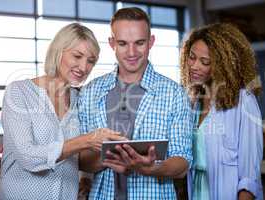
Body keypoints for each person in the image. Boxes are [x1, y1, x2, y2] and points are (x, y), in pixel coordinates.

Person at [0, 23, 126, 200]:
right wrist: (88, 140)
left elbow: (80, 160)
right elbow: (28, 156)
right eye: (77, 56)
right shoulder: (19, 92)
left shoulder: (81, 100)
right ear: (58, 51)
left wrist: (114, 157)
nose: (83, 67)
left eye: (90, 61)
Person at [78, 7, 193, 200]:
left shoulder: (174, 93)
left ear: (151, 42)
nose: (131, 52)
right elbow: (81, 160)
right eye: (123, 43)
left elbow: (182, 163)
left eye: (139, 43)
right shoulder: (90, 91)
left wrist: (151, 168)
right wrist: (110, 157)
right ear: (112, 43)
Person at [180, 23, 263, 200]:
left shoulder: (243, 101)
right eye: (192, 57)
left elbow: (249, 178)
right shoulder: (193, 102)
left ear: (223, 65)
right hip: (197, 191)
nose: (194, 66)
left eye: (205, 62)